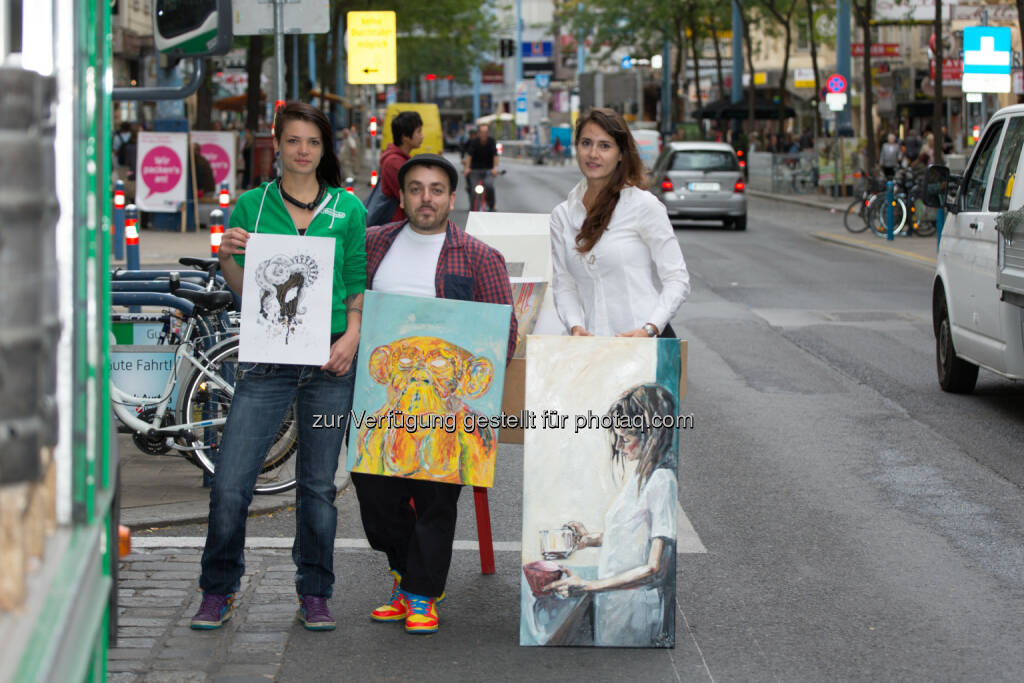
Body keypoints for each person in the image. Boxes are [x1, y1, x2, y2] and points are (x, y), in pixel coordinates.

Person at [189, 102, 367, 632]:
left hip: (329, 359)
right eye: (293, 141)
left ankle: (315, 591)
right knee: (231, 482)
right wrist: (226, 258)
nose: (303, 151)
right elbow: (247, 294)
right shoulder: (251, 205)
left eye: (312, 142)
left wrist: (353, 337)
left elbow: (356, 281)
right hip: (267, 360)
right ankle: (218, 589)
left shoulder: (347, 208)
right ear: (277, 145)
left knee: (316, 487)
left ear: (324, 148)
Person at [353, 153, 517, 635]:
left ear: (451, 196)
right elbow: (349, 308)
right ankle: (406, 573)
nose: (427, 198)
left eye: (437, 189)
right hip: (382, 400)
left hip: (446, 409)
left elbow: (500, 333)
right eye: (417, 188)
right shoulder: (371, 245)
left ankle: (421, 592)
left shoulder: (480, 256)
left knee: (436, 499)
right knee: (374, 495)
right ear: (401, 196)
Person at [545, 383, 678, 647]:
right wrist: (589, 539)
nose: (618, 446)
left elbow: (654, 568)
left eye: (625, 438)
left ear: (650, 434)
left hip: (635, 609)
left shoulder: (662, 482)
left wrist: (587, 586)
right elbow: (632, 534)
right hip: (615, 603)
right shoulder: (641, 475)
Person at [549, 107, 690, 338]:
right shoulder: (561, 215)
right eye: (586, 143)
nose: (593, 154)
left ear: (621, 154)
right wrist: (575, 326)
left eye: (605, 146)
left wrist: (651, 328)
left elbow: (677, 279)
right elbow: (564, 284)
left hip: (645, 344)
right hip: (593, 349)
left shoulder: (643, 205)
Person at [374, 111, 424, 225]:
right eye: (418, 131)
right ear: (405, 137)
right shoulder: (394, 163)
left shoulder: (402, 159)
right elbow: (410, 196)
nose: (422, 135)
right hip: (394, 225)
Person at [462, 123, 499, 210]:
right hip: (475, 170)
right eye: (482, 132)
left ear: (488, 133)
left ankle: (491, 205)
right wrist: (467, 168)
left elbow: (495, 155)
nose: (484, 134)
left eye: (486, 132)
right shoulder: (474, 142)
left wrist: (495, 168)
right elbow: (469, 156)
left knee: (489, 186)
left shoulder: (492, 141)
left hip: (488, 171)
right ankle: (472, 208)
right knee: (473, 189)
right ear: (478, 133)